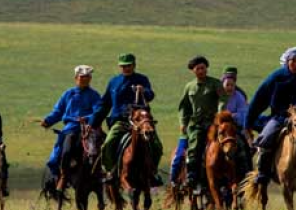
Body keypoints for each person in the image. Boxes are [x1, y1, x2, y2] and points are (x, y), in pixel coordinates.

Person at [244, 47, 296, 186]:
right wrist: (248, 121)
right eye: (294, 61)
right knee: (265, 139)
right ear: (288, 61)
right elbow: (260, 98)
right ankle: (263, 173)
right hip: (280, 116)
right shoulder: (277, 76)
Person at [95, 53, 163, 186]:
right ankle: (111, 171)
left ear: (134, 65)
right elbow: (105, 103)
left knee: (157, 145)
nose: (126, 68)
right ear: (120, 67)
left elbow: (150, 95)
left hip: (140, 121)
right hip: (120, 121)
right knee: (108, 143)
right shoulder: (113, 82)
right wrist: (93, 122)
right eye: (123, 66)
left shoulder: (142, 79)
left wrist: (143, 90)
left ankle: (152, 172)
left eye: (129, 65)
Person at [40, 65, 103, 187]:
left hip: (89, 127)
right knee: (66, 148)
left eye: (87, 77)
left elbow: (98, 112)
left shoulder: (94, 95)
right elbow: (58, 111)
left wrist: (88, 118)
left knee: (102, 146)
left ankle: (103, 174)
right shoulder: (68, 94)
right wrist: (48, 121)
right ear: (76, 78)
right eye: (82, 77)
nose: (85, 79)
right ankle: (63, 175)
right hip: (71, 127)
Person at [177, 55, 222, 195]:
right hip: (196, 124)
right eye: (198, 69)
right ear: (193, 71)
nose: (201, 71)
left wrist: (219, 115)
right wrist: (183, 122)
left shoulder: (215, 84)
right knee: (194, 146)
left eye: (203, 68)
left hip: (213, 123)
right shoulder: (189, 87)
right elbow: (183, 107)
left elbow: (223, 100)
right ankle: (192, 177)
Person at [219, 67, 253, 176]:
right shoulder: (217, 95)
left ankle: (247, 173)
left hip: (235, 126)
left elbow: (243, 113)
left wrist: (231, 116)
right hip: (219, 126)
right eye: (227, 85)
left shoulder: (239, 96)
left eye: (232, 85)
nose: (229, 87)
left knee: (244, 146)